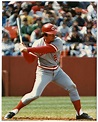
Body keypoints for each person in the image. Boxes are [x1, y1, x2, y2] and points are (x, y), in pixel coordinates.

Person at [4, 23, 93, 120]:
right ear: (45, 34)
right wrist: (25, 52)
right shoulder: (37, 43)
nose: (54, 35)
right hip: (43, 71)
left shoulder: (58, 41)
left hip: (57, 70)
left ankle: (79, 113)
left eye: (54, 33)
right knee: (35, 94)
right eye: (51, 34)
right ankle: (15, 110)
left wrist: (28, 49)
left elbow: (48, 49)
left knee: (72, 87)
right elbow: (30, 60)